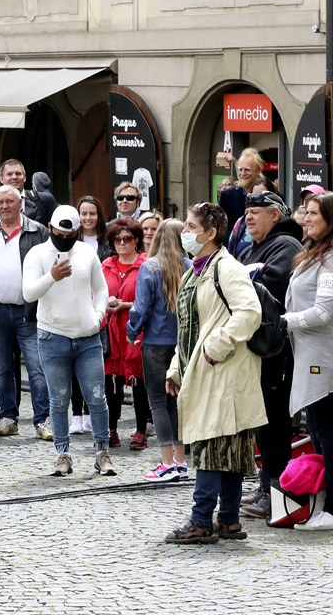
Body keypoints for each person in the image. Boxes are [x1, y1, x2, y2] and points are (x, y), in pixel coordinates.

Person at [164, 202, 266, 544]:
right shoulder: (196, 269)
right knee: (223, 445)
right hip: (206, 369)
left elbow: (249, 312)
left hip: (225, 370)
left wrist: (216, 347)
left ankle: (201, 520)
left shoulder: (228, 268)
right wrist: (176, 368)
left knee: (214, 446)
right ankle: (228, 519)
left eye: (191, 227)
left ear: (210, 233)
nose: (185, 232)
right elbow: (188, 326)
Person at [23, 205, 115, 476]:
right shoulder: (37, 254)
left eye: (71, 233)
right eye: (60, 233)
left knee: (97, 397)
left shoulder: (87, 253)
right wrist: (52, 277)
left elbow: (101, 288)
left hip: (88, 337)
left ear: (77, 232)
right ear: (50, 229)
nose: (65, 238)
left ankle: (102, 452)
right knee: (58, 399)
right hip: (52, 335)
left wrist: (99, 315)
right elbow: (28, 293)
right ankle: (63, 454)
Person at [237, 191, 302, 519]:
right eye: (246, 212)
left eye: (256, 212)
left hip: (278, 350)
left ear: (275, 215)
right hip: (256, 348)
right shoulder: (251, 247)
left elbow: (269, 285)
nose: (248, 217)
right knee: (264, 421)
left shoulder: (286, 245)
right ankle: (266, 484)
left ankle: (277, 490)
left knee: (275, 421)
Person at [0, 185, 52, 439]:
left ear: (20, 202)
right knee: (1, 368)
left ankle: (43, 420)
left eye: (10, 201)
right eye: (0, 202)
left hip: (28, 312)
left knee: (37, 367)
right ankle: (8, 417)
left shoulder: (38, 232)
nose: (5, 206)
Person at [128, 219, 191, 481]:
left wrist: (132, 331)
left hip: (155, 343)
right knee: (176, 403)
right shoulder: (189, 266)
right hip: (181, 345)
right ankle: (180, 461)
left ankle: (166, 464)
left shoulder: (150, 267)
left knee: (157, 403)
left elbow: (141, 308)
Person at [284, 192, 333, 530]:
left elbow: (323, 313)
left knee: (327, 435)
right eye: (306, 211)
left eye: (314, 212)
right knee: (317, 432)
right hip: (307, 354)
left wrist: (284, 321)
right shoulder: (314, 254)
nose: (307, 217)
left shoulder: (330, 259)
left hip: (323, 359)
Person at [102, 218, 150, 450]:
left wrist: (126, 305)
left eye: (127, 238)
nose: (122, 243)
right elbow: (96, 292)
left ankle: (141, 431)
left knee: (138, 381)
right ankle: (111, 429)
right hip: (111, 330)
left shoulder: (146, 265)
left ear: (137, 240)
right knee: (111, 383)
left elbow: (149, 300)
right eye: (117, 239)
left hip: (135, 330)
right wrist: (107, 301)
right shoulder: (105, 265)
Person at [70, 195, 113, 434]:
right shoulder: (69, 242)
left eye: (92, 213)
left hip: (98, 308)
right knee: (74, 364)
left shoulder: (106, 246)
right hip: (74, 306)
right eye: (83, 214)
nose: (88, 218)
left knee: (95, 364)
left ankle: (90, 411)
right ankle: (76, 413)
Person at [0, 159, 58, 227]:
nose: (14, 177)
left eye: (18, 173)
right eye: (9, 174)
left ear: (24, 177)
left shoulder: (45, 201)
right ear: (1, 179)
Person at [226, 177, 276, 257]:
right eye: (254, 195)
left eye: (262, 195)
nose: (257, 200)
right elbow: (230, 252)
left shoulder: (281, 234)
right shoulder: (241, 223)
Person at [219, 148, 265, 233]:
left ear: (258, 170)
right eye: (240, 170)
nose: (243, 174)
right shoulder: (227, 196)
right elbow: (221, 229)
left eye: (247, 170)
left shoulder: (270, 194)